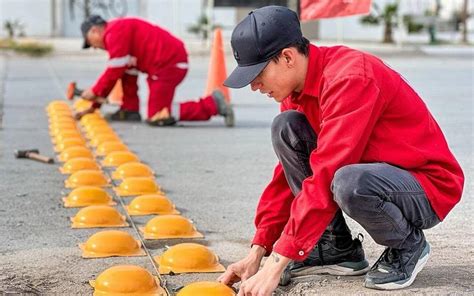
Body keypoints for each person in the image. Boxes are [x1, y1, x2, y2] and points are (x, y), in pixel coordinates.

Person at [218, 6, 464, 295]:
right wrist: (259, 251)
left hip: (426, 185)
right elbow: (287, 179)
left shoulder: (350, 78)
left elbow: (326, 173)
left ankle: (408, 244)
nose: (254, 86)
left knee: (349, 182)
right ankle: (334, 248)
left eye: (257, 73)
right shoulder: (295, 91)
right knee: (286, 126)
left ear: (287, 57)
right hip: (368, 174)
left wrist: (276, 265)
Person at [77, 15, 234, 127]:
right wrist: (94, 106)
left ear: (95, 31)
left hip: (170, 64)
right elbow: (125, 74)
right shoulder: (117, 31)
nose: (94, 47)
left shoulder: (114, 33)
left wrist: (94, 91)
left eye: (90, 43)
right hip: (163, 66)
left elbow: (113, 71)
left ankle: (213, 104)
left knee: (158, 114)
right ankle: (130, 109)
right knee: (128, 73)